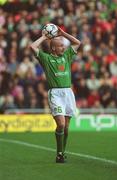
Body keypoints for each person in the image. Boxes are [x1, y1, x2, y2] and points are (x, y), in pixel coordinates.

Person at [30, 25, 81, 163]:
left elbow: (78, 43)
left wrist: (63, 34)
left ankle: (61, 153)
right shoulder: (46, 59)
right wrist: (44, 37)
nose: (63, 48)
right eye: (60, 46)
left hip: (68, 93)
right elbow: (32, 47)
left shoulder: (67, 56)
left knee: (67, 128)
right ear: (53, 48)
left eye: (63, 46)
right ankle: (59, 153)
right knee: (61, 124)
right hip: (56, 94)